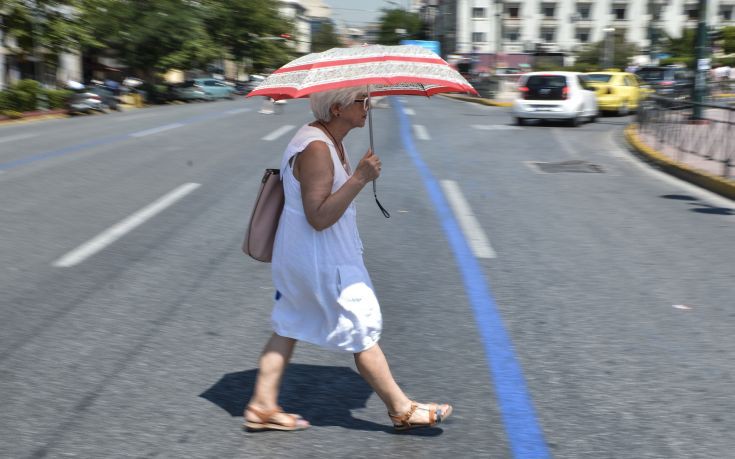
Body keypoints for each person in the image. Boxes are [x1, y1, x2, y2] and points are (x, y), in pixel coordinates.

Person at [244, 86, 452, 432]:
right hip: (322, 262)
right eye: (361, 101)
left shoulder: (324, 139)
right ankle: (401, 409)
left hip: (302, 256)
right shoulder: (316, 149)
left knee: (289, 322)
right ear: (338, 108)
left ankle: (262, 405)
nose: (368, 106)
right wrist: (359, 178)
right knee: (362, 326)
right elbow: (319, 216)